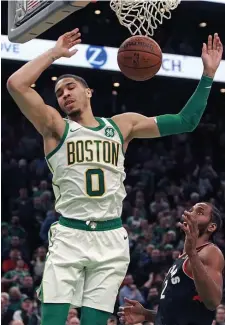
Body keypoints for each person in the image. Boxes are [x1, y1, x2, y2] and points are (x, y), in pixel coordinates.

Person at [7, 27, 223, 325]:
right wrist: (54, 53)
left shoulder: (122, 126)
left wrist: (208, 75)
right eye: (59, 92)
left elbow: (186, 122)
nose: (65, 94)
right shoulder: (55, 127)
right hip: (70, 233)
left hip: (110, 237)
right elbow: (16, 84)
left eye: (70, 87)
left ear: (88, 92)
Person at [118, 202, 224, 325]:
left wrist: (192, 254)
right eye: (191, 210)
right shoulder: (182, 258)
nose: (191, 213)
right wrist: (146, 314)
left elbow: (213, 301)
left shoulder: (210, 252)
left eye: (199, 212)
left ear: (211, 227)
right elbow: (175, 314)